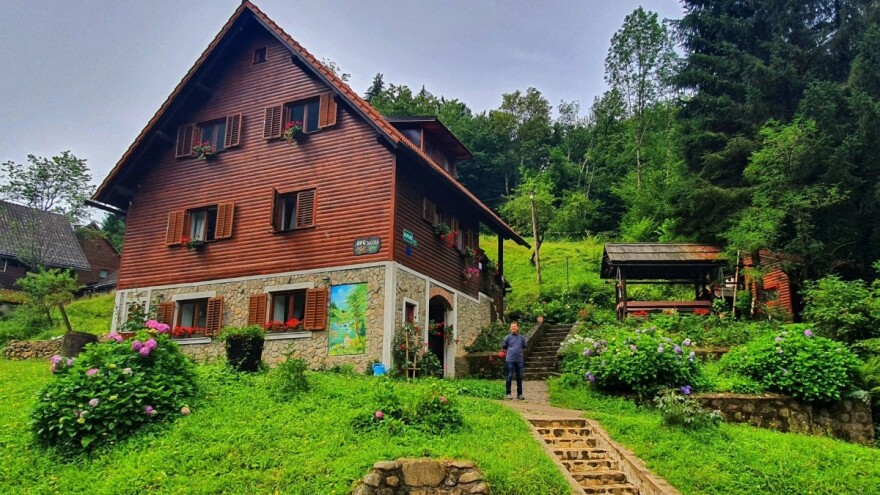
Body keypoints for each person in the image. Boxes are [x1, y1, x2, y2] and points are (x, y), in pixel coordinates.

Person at [501, 321, 527, 400]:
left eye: (515, 326)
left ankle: (519, 394)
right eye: (512, 326)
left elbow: (524, 348)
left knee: (519, 376)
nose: (513, 328)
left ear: (517, 328)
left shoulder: (522, 338)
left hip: (519, 360)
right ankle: (508, 394)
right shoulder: (507, 338)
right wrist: (510, 353)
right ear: (510, 328)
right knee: (509, 376)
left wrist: (517, 352)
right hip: (510, 360)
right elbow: (503, 348)